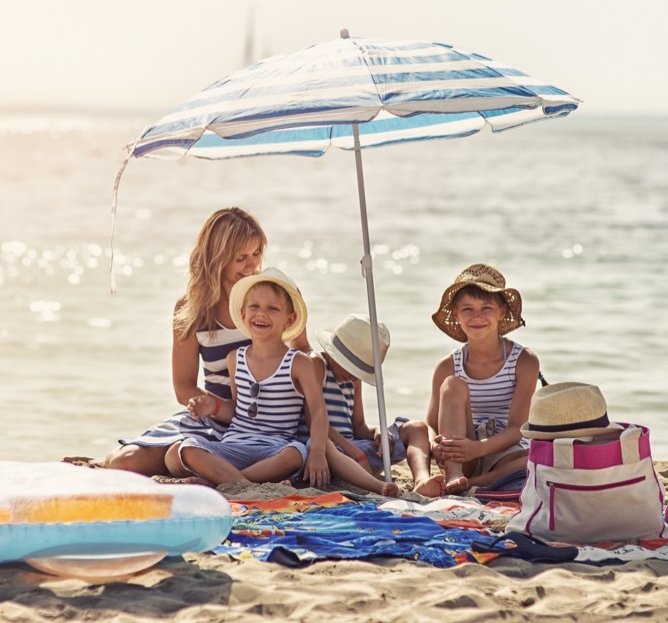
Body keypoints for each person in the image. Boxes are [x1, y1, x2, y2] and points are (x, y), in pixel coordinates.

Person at [101, 207, 306, 476]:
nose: (252, 265)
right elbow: (183, 386)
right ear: (216, 259)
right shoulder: (191, 308)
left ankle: (225, 472)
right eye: (240, 258)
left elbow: (303, 355)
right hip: (214, 416)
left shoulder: (273, 299)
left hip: (268, 423)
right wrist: (216, 409)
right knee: (125, 461)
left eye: (256, 253)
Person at [168, 268, 330, 487]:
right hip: (234, 445)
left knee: (296, 453)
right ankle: (246, 483)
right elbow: (237, 408)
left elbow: (318, 410)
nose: (261, 313)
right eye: (254, 306)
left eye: (272, 308)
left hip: (275, 448)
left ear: (289, 319)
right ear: (243, 314)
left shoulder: (299, 363)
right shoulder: (235, 358)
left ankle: (224, 482)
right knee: (186, 449)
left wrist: (318, 452)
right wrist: (213, 407)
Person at [420, 263, 540, 496]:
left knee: (541, 458)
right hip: (461, 452)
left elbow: (517, 428)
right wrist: (437, 444)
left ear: (502, 312)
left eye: (486, 308)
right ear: (456, 315)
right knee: (452, 385)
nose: (477, 316)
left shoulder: (524, 361)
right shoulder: (448, 365)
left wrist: (478, 449)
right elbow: (431, 425)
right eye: (467, 309)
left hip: (505, 452)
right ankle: (456, 475)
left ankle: (477, 482)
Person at [311, 314, 433, 497]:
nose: (355, 376)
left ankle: (422, 480)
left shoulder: (353, 380)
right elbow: (314, 419)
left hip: (353, 449)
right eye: (352, 369)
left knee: (417, 428)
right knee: (326, 446)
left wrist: (378, 432)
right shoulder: (316, 365)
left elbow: (359, 426)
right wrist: (355, 453)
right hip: (326, 448)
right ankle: (375, 484)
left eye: (361, 372)